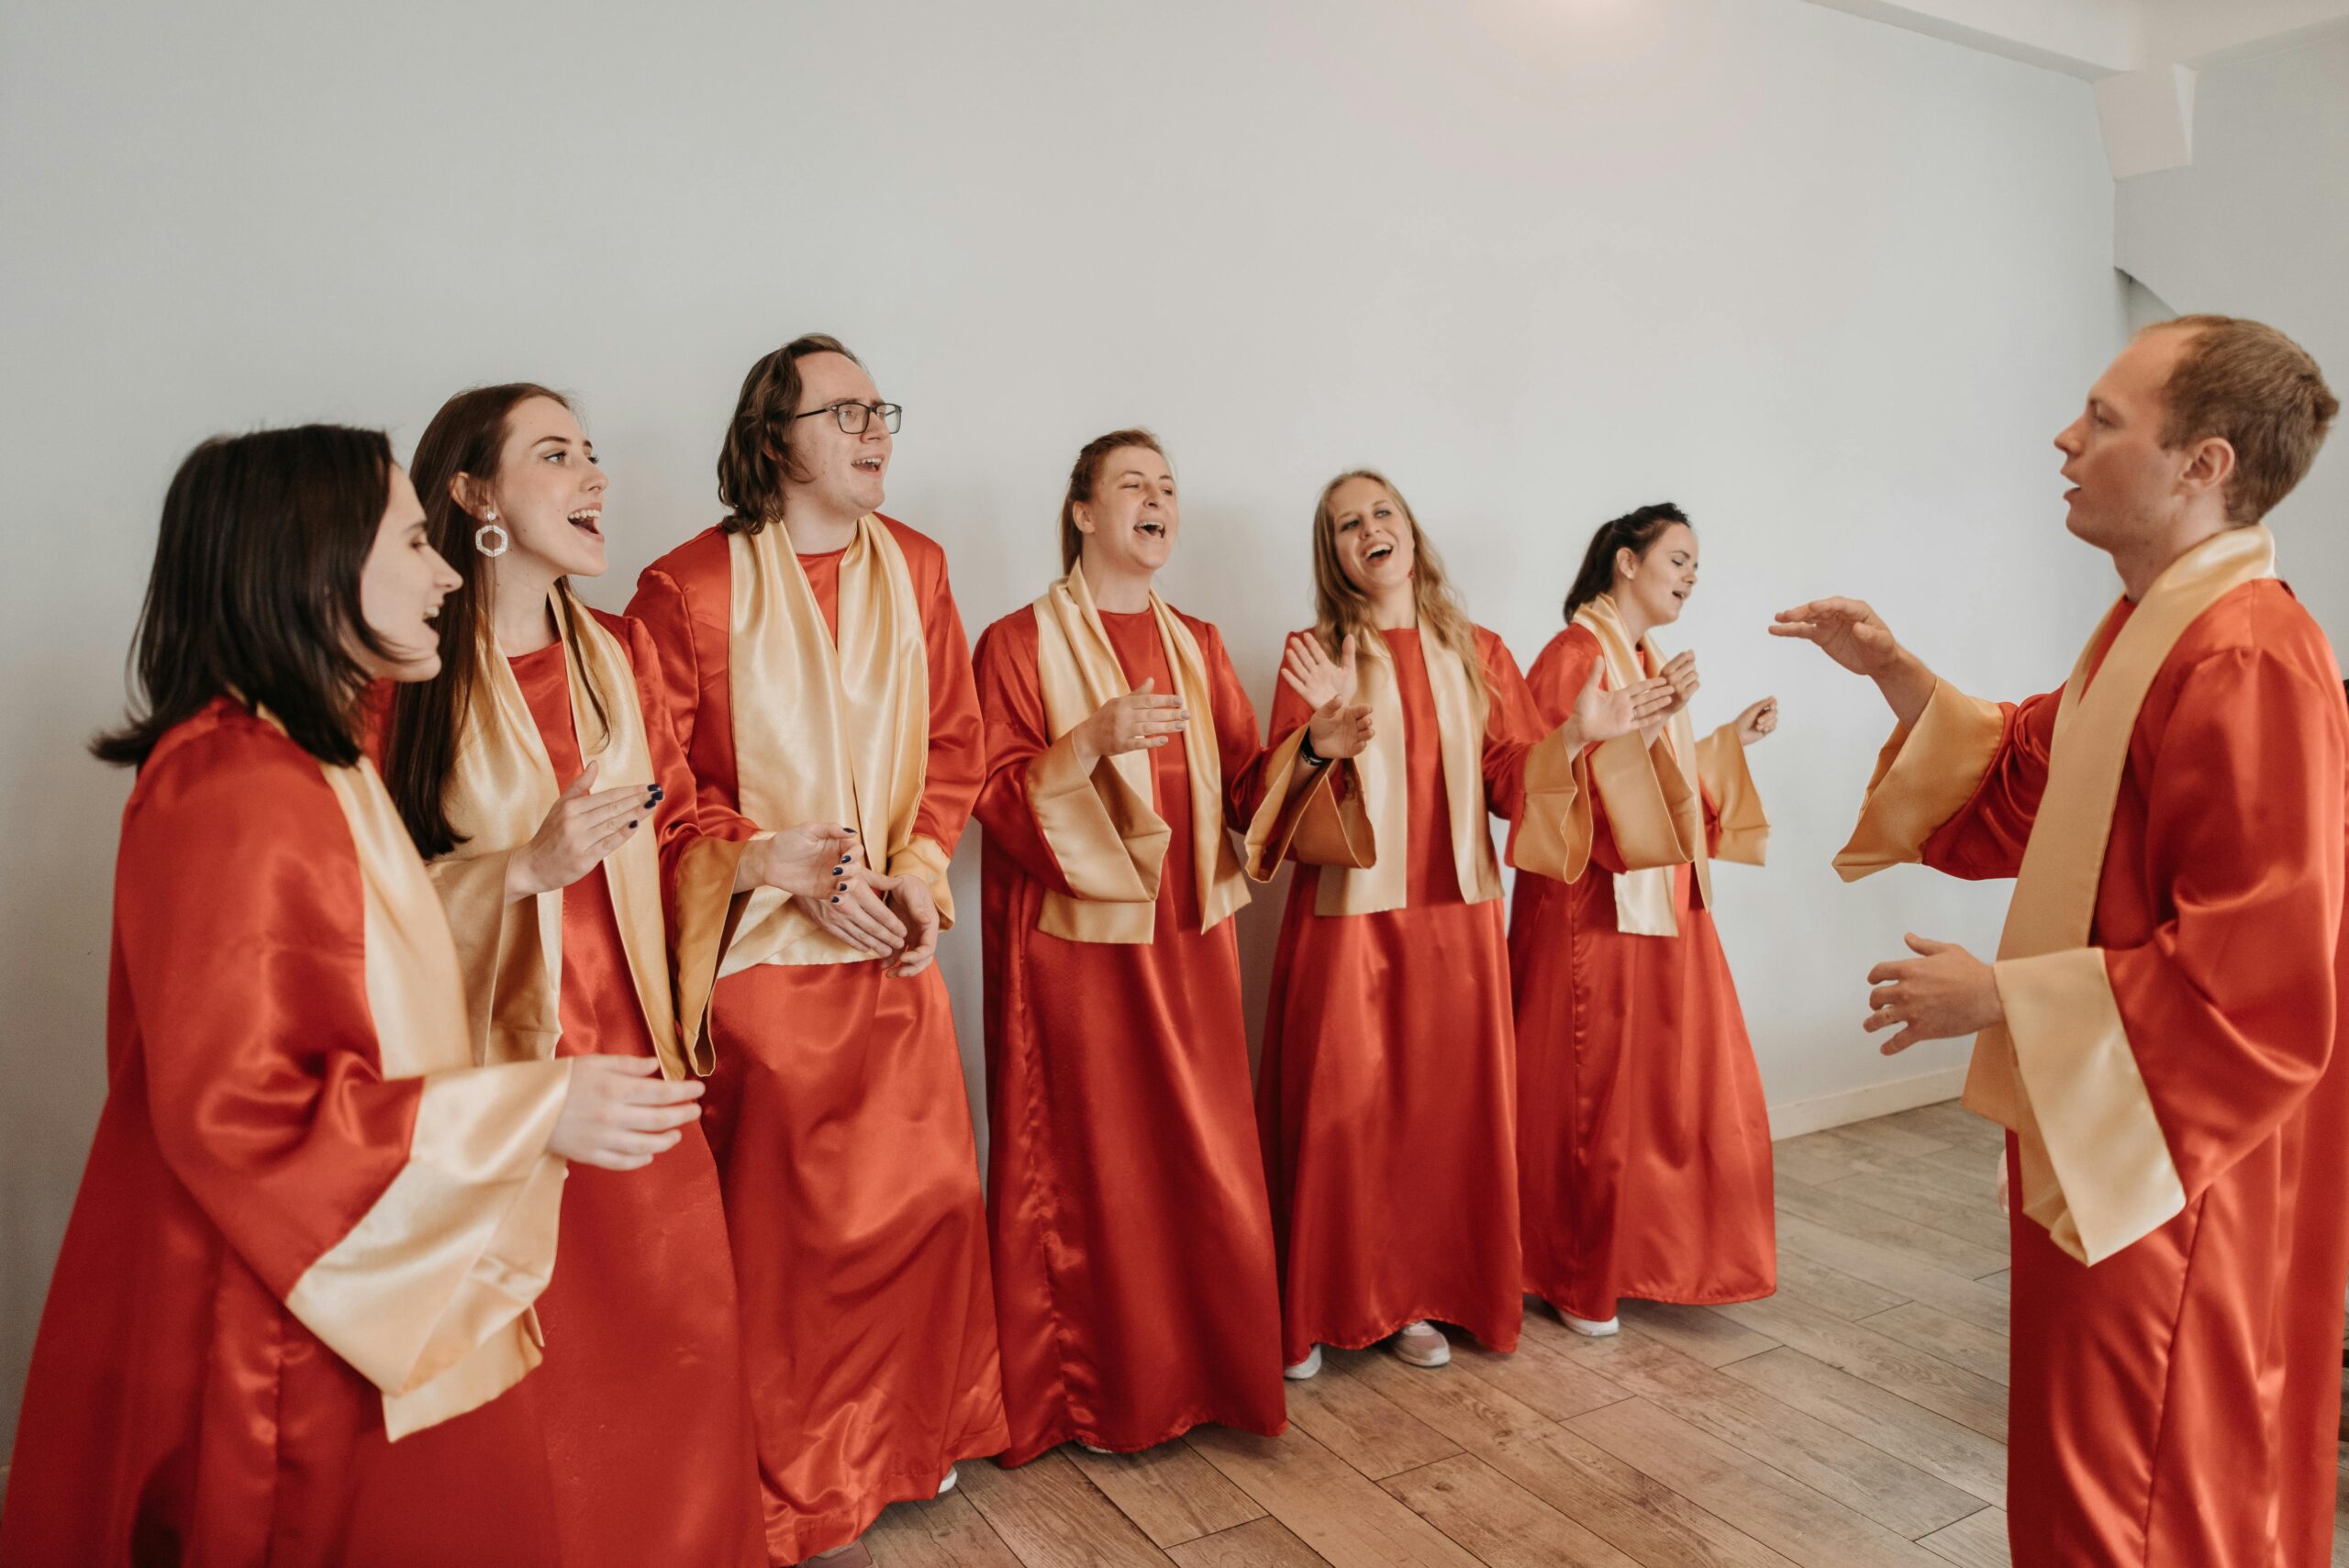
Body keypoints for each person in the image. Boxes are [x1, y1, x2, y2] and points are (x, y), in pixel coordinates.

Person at [0, 427, 684, 1567]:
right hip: (280, 1317)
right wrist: (533, 1110)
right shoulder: (232, 788)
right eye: (416, 540)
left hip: (318, 1277)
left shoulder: (311, 757)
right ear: (311, 561)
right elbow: (243, 1111)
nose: (449, 571)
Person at [1776, 315, 2345, 1566]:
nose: (2065, 438)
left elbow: (2261, 981)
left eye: (2101, 419)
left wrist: (2004, 999)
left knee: (2148, 1482)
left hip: (2181, 1167)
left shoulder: (2248, 655)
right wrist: (1893, 670)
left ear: (2202, 464)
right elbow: (2030, 771)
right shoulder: (2152, 626)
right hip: (2106, 1125)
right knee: (2087, 1455)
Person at [382, 384, 855, 1567]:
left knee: (676, 1336)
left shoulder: (617, 652)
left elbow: (678, 826)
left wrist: (760, 859)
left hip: (640, 1061)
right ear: (473, 493)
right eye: (556, 456)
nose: (595, 475)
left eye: (593, 453)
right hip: (513, 1093)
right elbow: (363, 903)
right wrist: (521, 866)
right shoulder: (402, 673)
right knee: (538, 1377)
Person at [628, 336, 1004, 1566]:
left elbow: (955, 739)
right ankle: (796, 1481)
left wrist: (910, 866)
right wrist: (780, 862)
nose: (874, 427)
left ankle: (910, 1435)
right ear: (775, 439)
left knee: (933, 1202)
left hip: (893, 935)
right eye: (842, 411)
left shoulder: (924, 567)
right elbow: (661, 790)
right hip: (762, 960)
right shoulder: (686, 587)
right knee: (796, 1235)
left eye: (880, 406)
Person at [971, 429, 1366, 1461]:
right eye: (1131, 485)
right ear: (1082, 513)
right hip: (1076, 960)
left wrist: (1315, 746)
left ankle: (1209, 1369)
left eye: (1168, 487)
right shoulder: (1014, 643)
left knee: (1198, 1158)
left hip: (1189, 946)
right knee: (1097, 1166)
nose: (1157, 501)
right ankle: (1085, 1389)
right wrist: (1087, 744)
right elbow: (993, 794)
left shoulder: (1194, 641)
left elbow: (1246, 792)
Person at [1250, 468, 1649, 1378]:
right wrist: (1317, 741)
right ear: (1335, 554)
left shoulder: (1480, 650)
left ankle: (1419, 1294)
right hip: (1348, 915)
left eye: (1382, 510)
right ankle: (1319, 1298)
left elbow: (1510, 781)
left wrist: (1573, 737)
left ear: (1411, 532)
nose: (1369, 528)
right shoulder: (1313, 651)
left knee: (1438, 1114)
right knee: (1341, 1109)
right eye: (1347, 522)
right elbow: (1270, 802)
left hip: (1455, 914)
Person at [1509, 503, 1778, 1337]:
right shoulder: (1572, 654)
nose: (1691, 576)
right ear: (1625, 561)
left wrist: (1725, 739)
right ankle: (1570, 1268)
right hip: (1591, 905)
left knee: (1651, 1090)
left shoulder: (1639, 654)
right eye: (1679, 558)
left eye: (1697, 565)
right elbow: (1544, 780)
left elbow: (1659, 782)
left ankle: (1634, 1255)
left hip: (1652, 898)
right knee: (1589, 1085)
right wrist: (1642, 728)